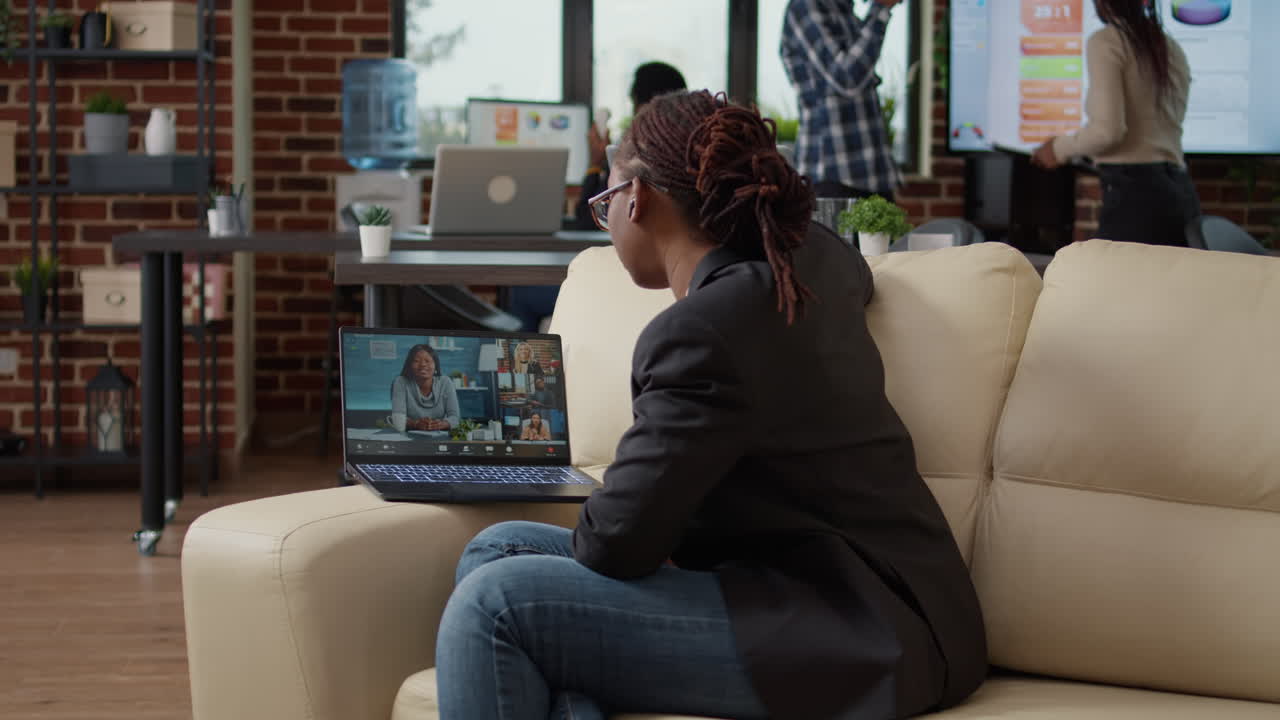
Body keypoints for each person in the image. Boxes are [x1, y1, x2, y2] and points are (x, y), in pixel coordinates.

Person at [434, 90, 986, 720]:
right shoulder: (814, 258)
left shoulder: (701, 332)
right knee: (496, 549)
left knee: (494, 605)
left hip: (849, 630)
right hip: (907, 599)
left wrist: (655, 537)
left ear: (636, 201)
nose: (605, 222)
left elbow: (613, 545)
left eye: (602, 204)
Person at [505, 64, 689, 333]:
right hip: (674, 280)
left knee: (521, 295)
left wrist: (595, 164)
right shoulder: (693, 152)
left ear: (640, 106)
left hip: (630, 278)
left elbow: (586, 222)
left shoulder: (635, 158)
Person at [1031, 0, 1198, 246]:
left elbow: (1107, 131)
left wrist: (1057, 149)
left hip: (1136, 198)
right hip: (1180, 192)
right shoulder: (1169, 45)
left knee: (1111, 282)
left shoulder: (1107, 41)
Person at [781, 0, 903, 200]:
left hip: (873, 172)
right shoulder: (806, 6)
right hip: (833, 175)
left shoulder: (843, 9)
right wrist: (880, 9)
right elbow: (846, 77)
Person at [389, 344, 458, 433]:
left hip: (439, 437)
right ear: (410, 365)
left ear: (435, 365)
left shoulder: (445, 382)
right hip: (408, 439)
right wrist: (416, 424)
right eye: (416, 361)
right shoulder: (400, 382)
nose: (423, 365)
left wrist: (440, 424)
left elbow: (455, 418)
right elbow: (398, 418)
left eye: (428, 361)